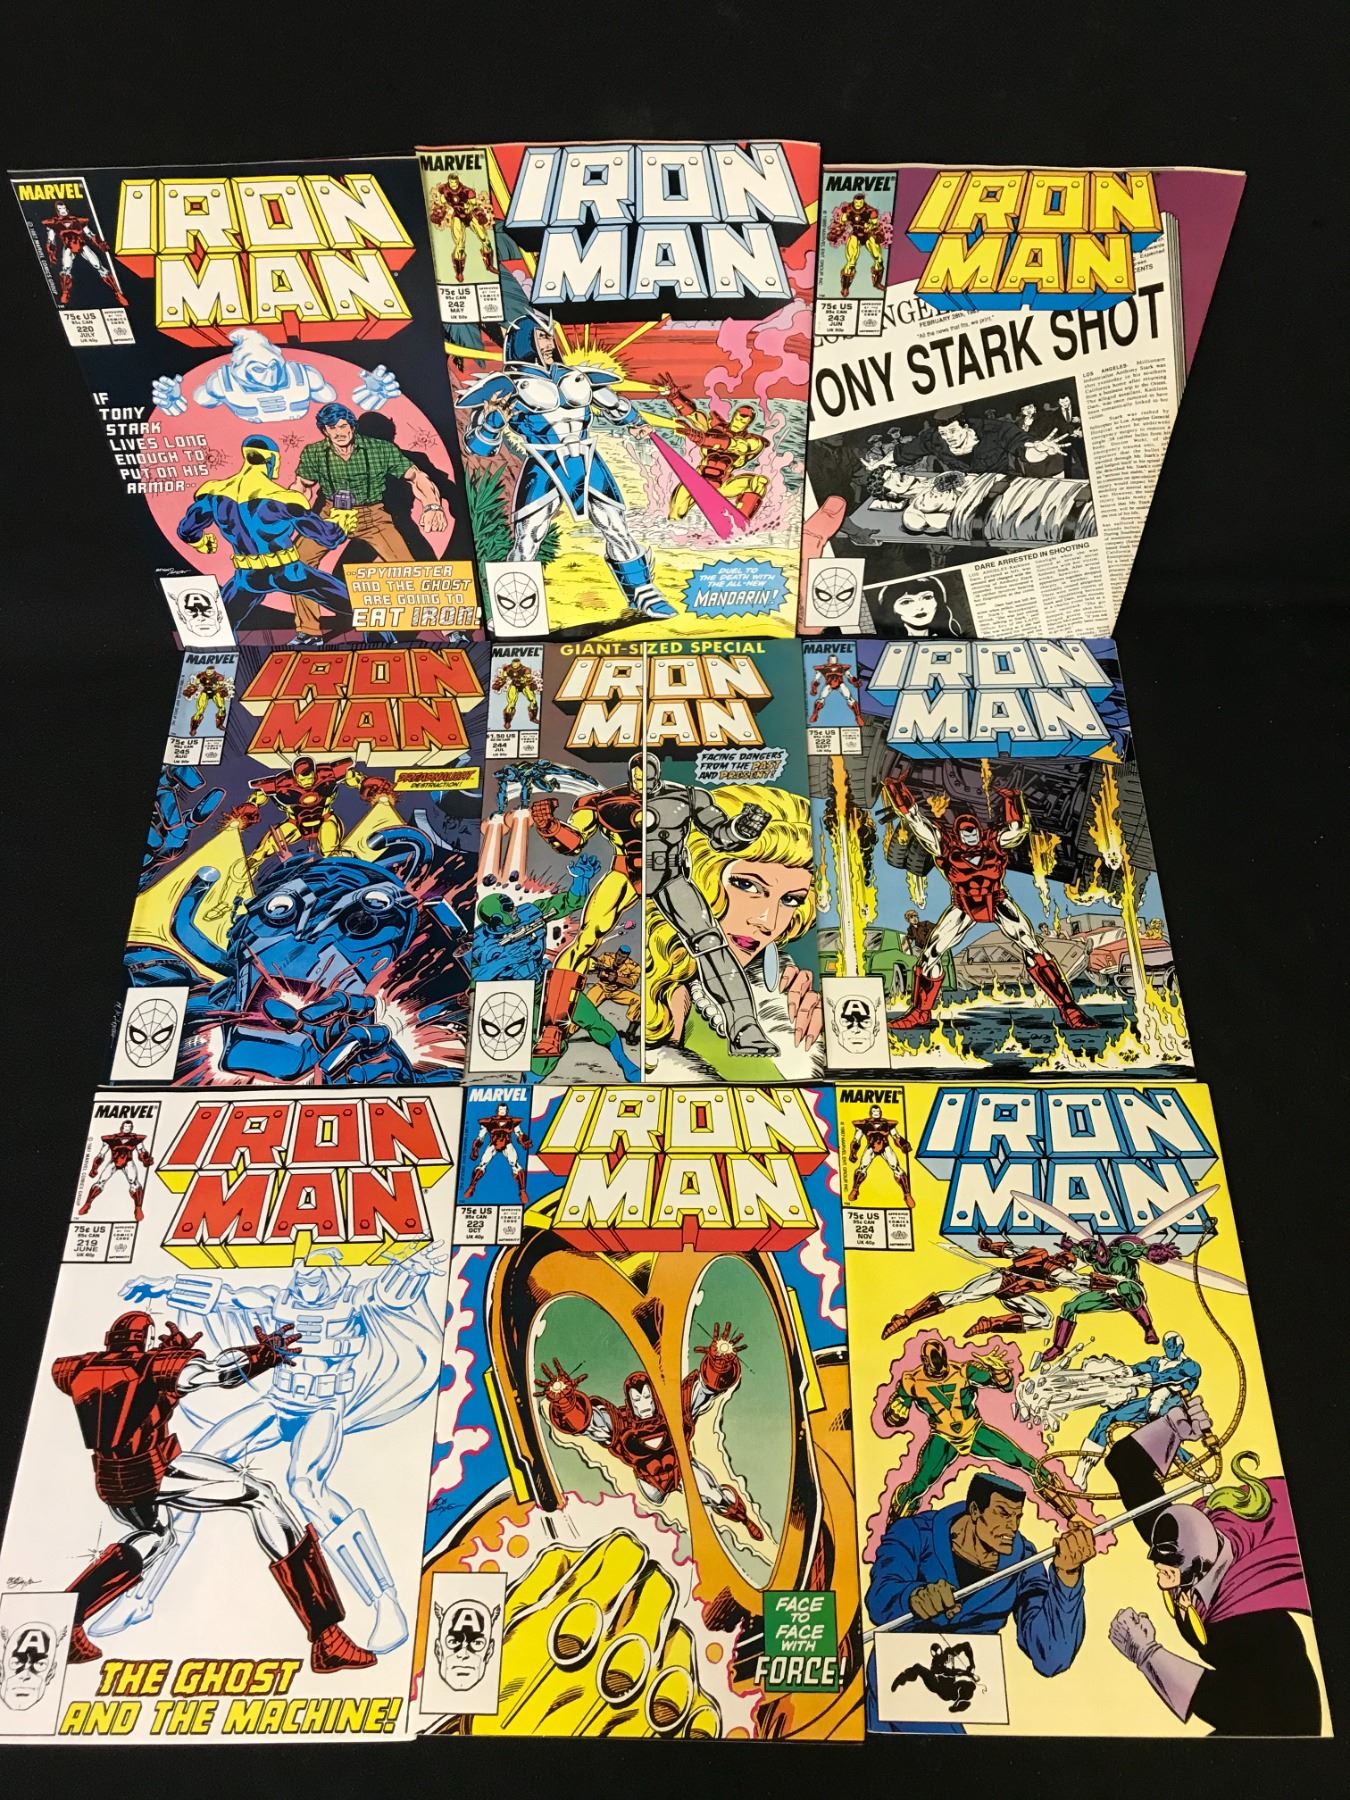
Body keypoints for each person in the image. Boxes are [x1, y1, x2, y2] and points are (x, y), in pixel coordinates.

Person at [865, 1471, 1096, 1731]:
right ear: (975, 1510)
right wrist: (914, 1597)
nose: (1012, 1527)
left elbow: (1052, 1656)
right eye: (1002, 1514)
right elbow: (880, 1596)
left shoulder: (1024, 1559)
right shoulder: (915, 1533)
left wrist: (1067, 1576)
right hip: (900, 1681)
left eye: (1017, 1517)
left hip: (966, 1693)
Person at [644, 784, 822, 1079]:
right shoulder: (650, 983)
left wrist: (819, 1047)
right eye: (747, 885)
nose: (767, 921)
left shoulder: (784, 993)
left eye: (790, 900)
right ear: (701, 876)